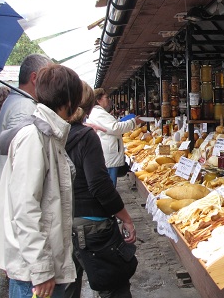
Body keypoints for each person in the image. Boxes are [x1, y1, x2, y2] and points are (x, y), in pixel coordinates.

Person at [0, 64, 83, 298]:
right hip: (34, 276)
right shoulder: (33, 138)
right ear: (69, 100)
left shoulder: (48, 134)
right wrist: (42, 269)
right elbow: (25, 208)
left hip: (42, 270)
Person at [64, 82, 137, 298]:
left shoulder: (55, 133)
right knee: (113, 286)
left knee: (69, 285)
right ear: (89, 106)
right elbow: (100, 186)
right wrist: (126, 218)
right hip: (92, 224)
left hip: (66, 221)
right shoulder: (86, 136)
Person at [0, 54, 53, 180]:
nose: (52, 85)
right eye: (49, 79)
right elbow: (22, 160)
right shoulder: (24, 108)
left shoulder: (18, 102)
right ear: (34, 78)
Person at [86, 88, 142, 188]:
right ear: (99, 100)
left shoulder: (98, 113)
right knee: (110, 185)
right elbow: (115, 128)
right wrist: (133, 122)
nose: (109, 100)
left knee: (109, 183)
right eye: (106, 97)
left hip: (109, 151)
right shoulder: (99, 113)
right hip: (109, 153)